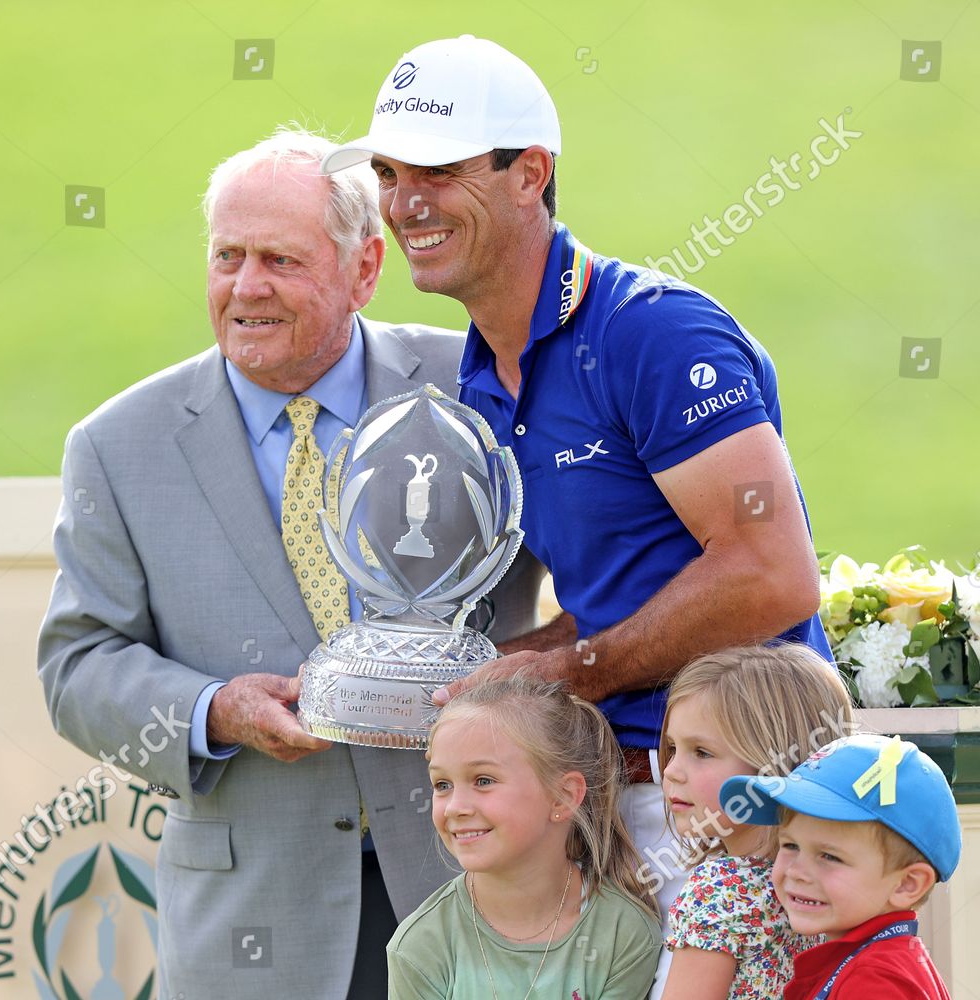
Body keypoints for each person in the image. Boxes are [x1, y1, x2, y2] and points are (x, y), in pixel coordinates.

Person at [322, 34, 835, 978]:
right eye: (390, 175)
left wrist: (574, 670)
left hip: (751, 811)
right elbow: (622, 590)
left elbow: (772, 572)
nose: (403, 205)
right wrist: (507, 663)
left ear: (531, 175)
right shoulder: (481, 376)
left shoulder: (652, 331)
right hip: (627, 812)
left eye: (438, 170)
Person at [36, 128, 546, 1000]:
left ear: (364, 270)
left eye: (279, 258)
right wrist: (212, 711)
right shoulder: (118, 445)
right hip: (256, 926)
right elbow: (77, 666)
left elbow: (594, 561)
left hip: (481, 893)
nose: (246, 287)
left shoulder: (479, 386)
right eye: (226, 256)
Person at [387, 675, 661, 1000]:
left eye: (483, 780)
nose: (455, 808)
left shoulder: (622, 933)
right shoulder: (420, 946)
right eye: (442, 784)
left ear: (563, 796)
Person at [656, 644, 854, 1000]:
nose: (671, 771)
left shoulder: (720, 889)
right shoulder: (845, 882)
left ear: (773, 764)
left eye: (701, 752)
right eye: (672, 748)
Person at [719, 734, 961, 1000]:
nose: (796, 872)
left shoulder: (875, 980)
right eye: (790, 846)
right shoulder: (875, 961)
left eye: (829, 856)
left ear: (907, 884)